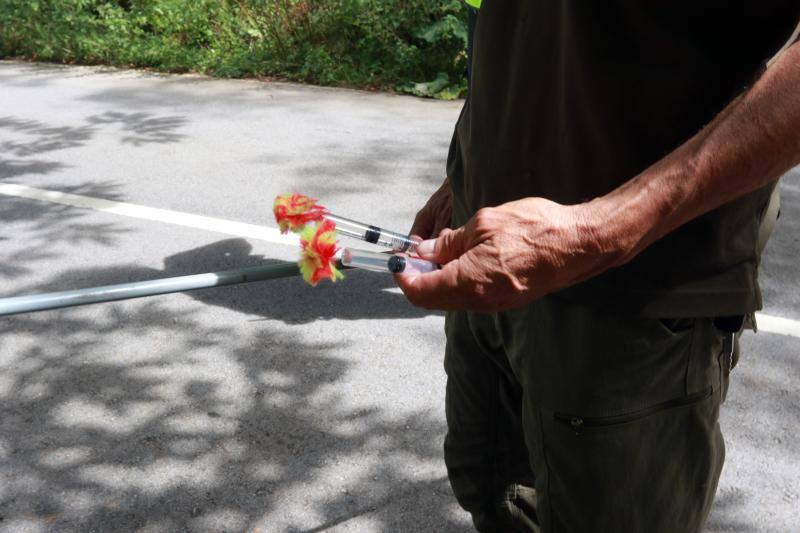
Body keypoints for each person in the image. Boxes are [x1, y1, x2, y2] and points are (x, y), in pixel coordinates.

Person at [397, 2, 800, 532]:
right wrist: (466, 172)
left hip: (633, 300)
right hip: (489, 252)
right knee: (493, 494)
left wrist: (600, 232)